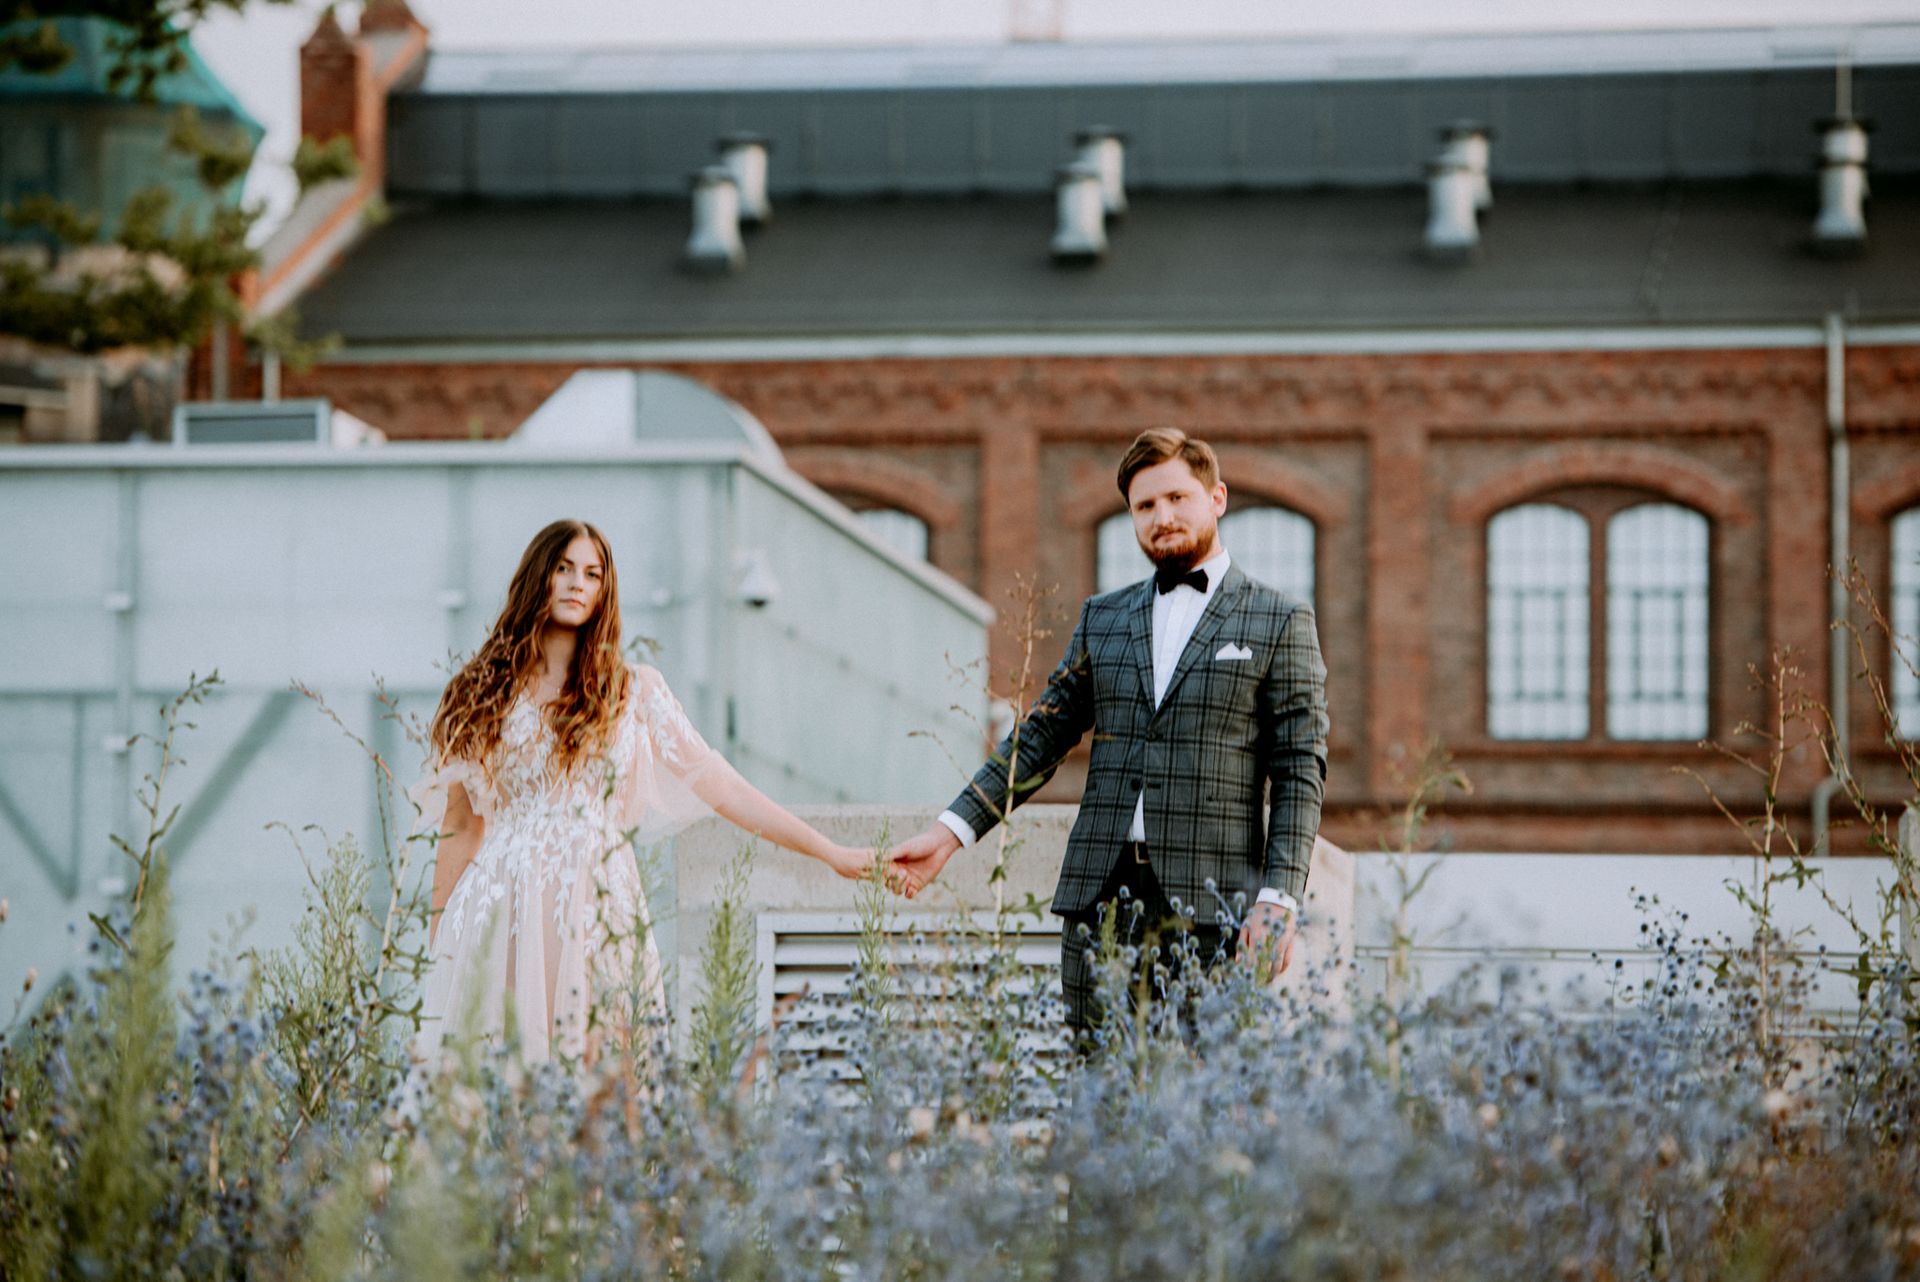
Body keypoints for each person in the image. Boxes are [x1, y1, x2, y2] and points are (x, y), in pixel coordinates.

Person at [888, 428, 1330, 1047]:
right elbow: (1041, 736)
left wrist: (1278, 898)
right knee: (1099, 1093)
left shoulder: (1280, 620)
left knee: (1205, 1094)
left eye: (1176, 498)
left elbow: (1300, 766)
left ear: (1217, 498)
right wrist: (949, 833)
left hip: (1217, 912)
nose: (1162, 516)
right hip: (1100, 904)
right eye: (1144, 506)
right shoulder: (1104, 617)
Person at [413, 518, 874, 1065]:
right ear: (538, 577)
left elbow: (723, 786)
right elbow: (461, 827)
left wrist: (829, 851)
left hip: (597, 900)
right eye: (563, 569)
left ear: (604, 590)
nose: (577, 584)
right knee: (502, 1074)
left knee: (606, 1072)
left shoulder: (632, 690)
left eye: (592, 574)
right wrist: (438, 945)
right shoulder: (481, 691)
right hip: (501, 903)